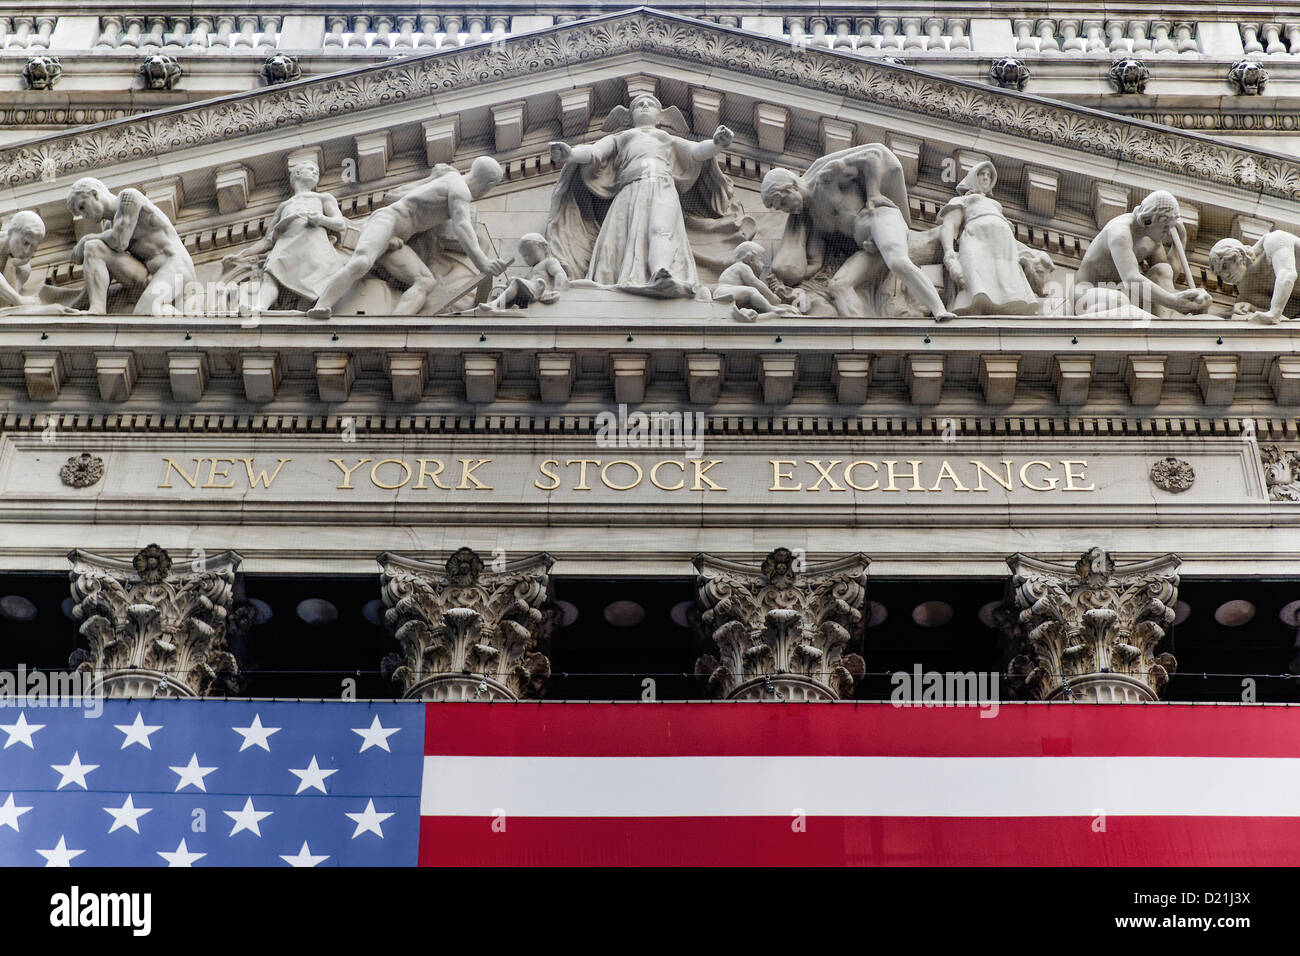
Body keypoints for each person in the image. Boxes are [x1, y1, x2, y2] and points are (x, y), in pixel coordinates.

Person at [545, 94, 740, 300]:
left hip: (662, 187)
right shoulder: (622, 137)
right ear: (630, 116)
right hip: (630, 190)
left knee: (661, 229)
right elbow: (594, 152)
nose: (645, 105)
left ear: (660, 116)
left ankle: (661, 271)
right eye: (638, 105)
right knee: (621, 238)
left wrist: (717, 144)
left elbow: (696, 151)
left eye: (651, 104)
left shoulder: (666, 138)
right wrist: (570, 154)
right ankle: (621, 278)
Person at [760, 144, 954, 320]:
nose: (787, 210)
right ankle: (862, 336)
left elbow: (872, 156)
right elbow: (816, 262)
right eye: (782, 209)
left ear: (792, 187)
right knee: (838, 285)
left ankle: (939, 310)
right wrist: (785, 282)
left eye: (784, 202)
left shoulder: (825, 179)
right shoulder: (814, 222)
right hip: (868, 247)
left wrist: (873, 194)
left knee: (898, 261)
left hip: (878, 219)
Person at [308, 156, 508, 319]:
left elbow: (393, 195)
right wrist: (483, 263)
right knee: (362, 262)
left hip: (397, 241)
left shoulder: (448, 181)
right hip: (387, 222)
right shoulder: (459, 189)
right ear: (488, 184)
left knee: (425, 281)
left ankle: (395, 325)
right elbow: (462, 225)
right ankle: (321, 306)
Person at [222, 160, 349, 313]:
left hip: (313, 243)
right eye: (310, 169)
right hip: (285, 245)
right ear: (297, 174)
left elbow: (340, 223)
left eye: (316, 170)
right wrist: (241, 255)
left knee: (317, 277)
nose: (315, 172)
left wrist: (321, 219)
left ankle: (318, 307)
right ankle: (259, 308)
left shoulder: (323, 198)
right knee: (272, 275)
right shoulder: (284, 206)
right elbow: (268, 240)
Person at [66, 177, 196, 315]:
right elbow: (96, 278)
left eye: (82, 206)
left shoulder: (128, 197)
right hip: (148, 277)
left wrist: (86, 238)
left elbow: (119, 241)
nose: (84, 215)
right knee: (94, 248)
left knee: (145, 312)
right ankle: (97, 309)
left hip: (175, 269)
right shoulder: (110, 228)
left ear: (94, 194)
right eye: (79, 213)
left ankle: (187, 327)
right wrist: (71, 306)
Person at [1073, 190, 1211, 318]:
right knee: (1118, 301)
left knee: (1162, 268)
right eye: (1165, 227)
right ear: (1148, 220)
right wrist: (1174, 301)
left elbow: (1167, 277)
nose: (1168, 232)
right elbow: (1131, 278)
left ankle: (1163, 327)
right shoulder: (1120, 233)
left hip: (1123, 292)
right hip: (1088, 293)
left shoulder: (1151, 237)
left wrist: (1180, 242)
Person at [938, 161, 1040, 315]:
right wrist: (949, 253)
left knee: (1006, 279)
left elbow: (1012, 240)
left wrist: (1031, 253)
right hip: (976, 238)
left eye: (989, 175)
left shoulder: (995, 205)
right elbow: (950, 224)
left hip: (1003, 246)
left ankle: (1009, 303)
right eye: (982, 174)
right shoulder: (963, 200)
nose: (986, 178)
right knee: (977, 276)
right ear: (973, 177)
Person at [1208, 232, 1300, 324]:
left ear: (1240, 254)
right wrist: (1252, 307)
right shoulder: (1246, 290)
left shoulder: (1274, 240)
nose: (1225, 276)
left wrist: (1274, 312)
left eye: (1225, 266)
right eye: (1220, 274)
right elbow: (1289, 311)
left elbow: (1287, 274)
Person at [713, 241, 804, 321]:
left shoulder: (737, 269)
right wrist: (772, 298)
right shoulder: (742, 267)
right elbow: (756, 283)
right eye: (760, 259)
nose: (764, 265)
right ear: (750, 258)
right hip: (725, 292)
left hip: (723, 292)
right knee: (752, 290)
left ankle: (749, 311)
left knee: (750, 294)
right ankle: (770, 308)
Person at [480, 233, 568, 311]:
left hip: (540, 289)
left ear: (544, 248)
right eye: (524, 255)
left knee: (517, 282)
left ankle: (494, 304)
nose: (527, 257)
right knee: (498, 288)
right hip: (531, 290)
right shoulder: (532, 271)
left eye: (530, 252)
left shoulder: (549, 261)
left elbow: (559, 273)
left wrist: (557, 290)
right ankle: (496, 308)